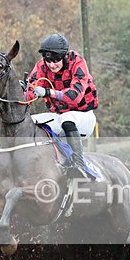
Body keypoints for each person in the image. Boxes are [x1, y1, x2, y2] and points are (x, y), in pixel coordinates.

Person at [23, 33, 97, 176]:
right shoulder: (41, 66)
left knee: (66, 119)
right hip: (58, 116)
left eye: (56, 60)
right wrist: (21, 92)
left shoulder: (77, 63)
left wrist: (48, 92)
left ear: (64, 56)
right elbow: (29, 91)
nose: (52, 65)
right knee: (28, 122)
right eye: (48, 61)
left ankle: (79, 164)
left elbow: (74, 96)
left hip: (83, 117)